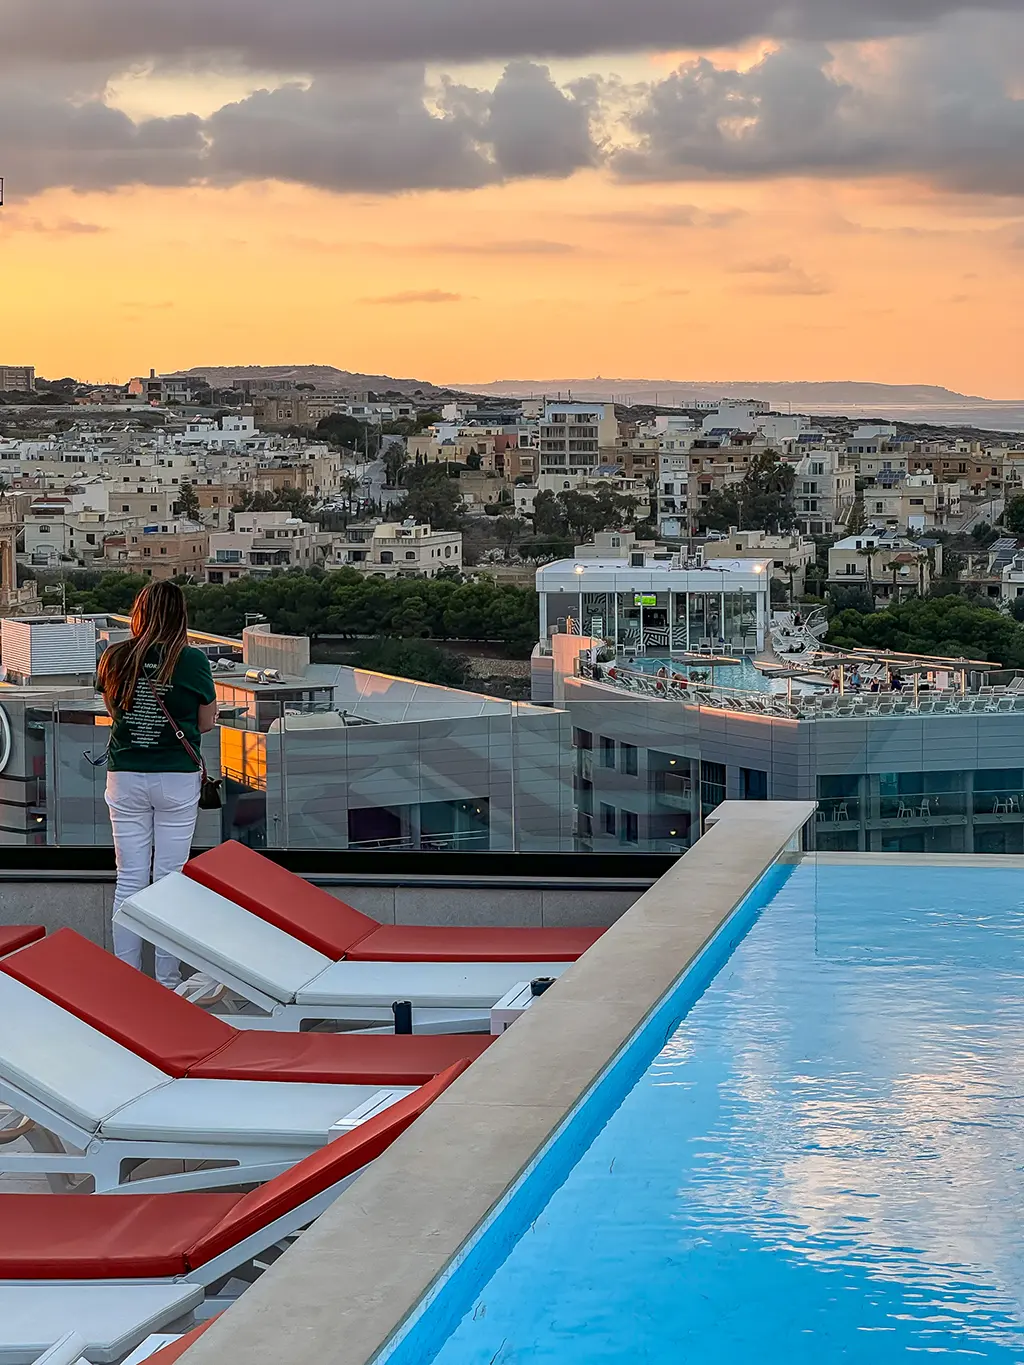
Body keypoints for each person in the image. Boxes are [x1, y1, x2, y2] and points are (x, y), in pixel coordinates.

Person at [96, 581, 217, 988]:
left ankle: (126, 983)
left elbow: (115, 712)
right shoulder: (193, 660)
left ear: (139, 612)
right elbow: (205, 723)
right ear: (180, 615)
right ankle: (166, 980)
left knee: (128, 878)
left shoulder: (115, 656)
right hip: (175, 778)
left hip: (126, 775)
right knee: (170, 879)